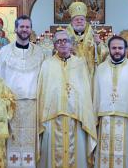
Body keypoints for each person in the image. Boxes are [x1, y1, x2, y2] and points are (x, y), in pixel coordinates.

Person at [37, 30, 97, 168]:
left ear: (71, 44)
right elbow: (43, 92)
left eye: (65, 41)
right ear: (54, 46)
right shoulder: (47, 64)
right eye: (58, 41)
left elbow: (85, 92)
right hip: (52, 119)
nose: (62, 44)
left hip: (76, 119)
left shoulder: (80, 64)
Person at [0, 15, 44, 168]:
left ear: (31, 29)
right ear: (15, 29)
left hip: (33, 105)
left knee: (30, 142)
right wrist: (1, 103)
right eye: (21, 27)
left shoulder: (40, 52)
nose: (24, 29)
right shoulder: (4, 51)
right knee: (12, 143)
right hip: (11, 105)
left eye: (27, 27)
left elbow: (44, 79)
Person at [94, 35, 128, 168]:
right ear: (109, 49)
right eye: (114, 48)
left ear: (126, 49)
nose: (117, 51)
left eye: (120, 48)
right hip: (105, 120)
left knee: (126, 156)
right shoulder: (101, 69)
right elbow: (96, 95)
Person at [66, 1, 107, 78]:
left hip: (90, 73)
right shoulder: (65, 37)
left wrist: (98, 44)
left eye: (81, 19)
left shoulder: (93, 35)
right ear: (72, 22)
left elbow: (104, 55)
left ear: (85, 21)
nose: (79, 21)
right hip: (72, 73)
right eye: (76, 19)